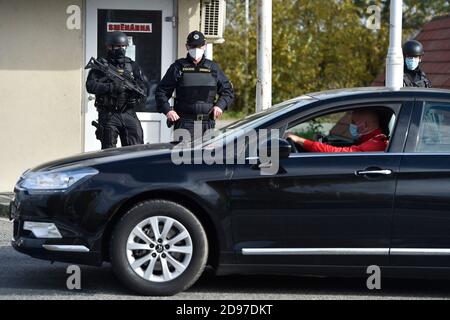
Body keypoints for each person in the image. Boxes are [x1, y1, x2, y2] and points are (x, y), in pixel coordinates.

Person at [155, 30, 234, 140]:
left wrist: (219, 106)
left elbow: (227, 91)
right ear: (187, 46)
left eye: (199, 46)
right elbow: (161, 92)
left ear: (205, 46)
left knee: (207, 156)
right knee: (183, 156)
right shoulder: (178, 67)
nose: (196, 49)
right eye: (192, 46)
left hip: (207, 124)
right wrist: (168, 110)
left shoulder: (213, 67)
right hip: (184, 123)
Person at [86, 31, 147, 149]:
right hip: (109, 114)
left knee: (136, 148)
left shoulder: (132, 65)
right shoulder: (102, 65)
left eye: (124, 46)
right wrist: (111, 87)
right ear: (110, 47)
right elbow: (90, 86)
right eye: (118, 46)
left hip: (128, 112)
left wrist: (136, 99)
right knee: (109, 152)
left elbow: (142, 88)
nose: (121, 49)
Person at [286, 109, 388, 153]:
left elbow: (338, 153)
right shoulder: (368, 140)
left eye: (353, 122)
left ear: (364, 125)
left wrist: (300, 140)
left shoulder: (377, 143)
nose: (350, 125)